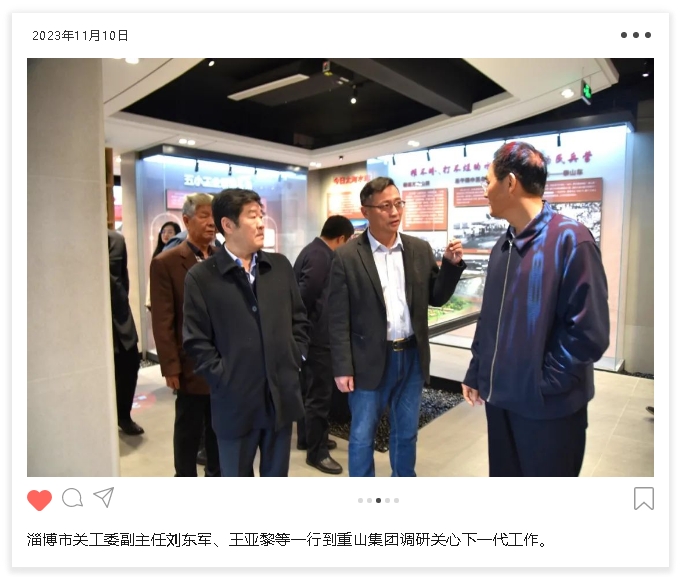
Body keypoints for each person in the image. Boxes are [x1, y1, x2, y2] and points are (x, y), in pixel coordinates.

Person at [461, 141, 610, 477]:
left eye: (487, 181)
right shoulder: (503, 245)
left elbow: (588, 335)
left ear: (510, 183)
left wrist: (542, 384)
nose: (484, 191)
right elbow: (490, 317)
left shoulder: (571, 240)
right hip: (500, 405)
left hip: (549, 412)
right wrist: (477, 369)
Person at [328, 177, 465, 477]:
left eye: (398, 204)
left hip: (412, 357)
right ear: (366, 211)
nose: (394, 212)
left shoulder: (418, 249)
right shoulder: (347, 256)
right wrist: (342, 367)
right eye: (386, 206)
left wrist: (451, 265)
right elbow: (337, 317)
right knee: (362, 435)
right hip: (368, 360)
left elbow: (436, 297)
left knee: (406, 433)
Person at [182, 188, 309, 477]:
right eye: (253, 216)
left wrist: (296, 357)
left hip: (280, 397)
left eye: (261, 215)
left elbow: (299, 319)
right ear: (228, 225)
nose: (261, 223)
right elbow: (196, 342)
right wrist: (224, 378)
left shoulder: (279, 266)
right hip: (235, 403)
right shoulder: (202, 278)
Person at [150, 194, 220, 477]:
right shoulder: (166, 262)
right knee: (188, 427)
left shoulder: (221, 258)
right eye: (204, 216)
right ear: (187, 220)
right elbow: (163, 319)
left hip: (222, 362)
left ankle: (217, 474)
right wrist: (170, 366)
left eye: (214, 216)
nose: (211, 222)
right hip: (190, 362)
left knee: (218, 427)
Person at [293, 215, 355, 474]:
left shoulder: (314, 250)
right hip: (317, 339)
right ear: (341, 238)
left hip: (314, 337)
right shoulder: (321, 256)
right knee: (319, 397)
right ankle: (316, 453)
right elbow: (303, 298)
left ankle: (308, 438)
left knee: (311, 393)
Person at [108, 229, 144, 436]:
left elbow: (123, 279)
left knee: (130, 363)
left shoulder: (116, 240)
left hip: (120, 315)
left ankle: (123, 415)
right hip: (91, 317)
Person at [146, 221, 182, 312]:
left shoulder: (178, 252)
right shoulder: (158, 252)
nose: (166, 235)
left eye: (170, 232)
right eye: (163, 232)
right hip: (157, 292)